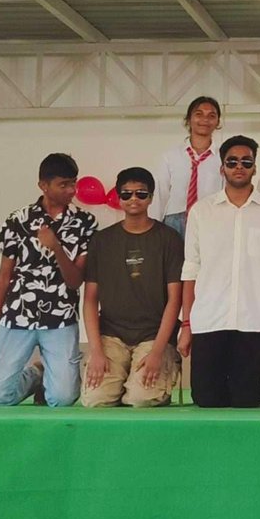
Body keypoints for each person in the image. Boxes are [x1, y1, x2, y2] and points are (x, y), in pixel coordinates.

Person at [0, 153, 98, 407]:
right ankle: (35, 376)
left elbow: (76, 281)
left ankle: (50, 378)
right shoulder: (17, 220)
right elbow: (4, 276)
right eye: (63, 184)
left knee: (62, 399)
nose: (72, 190)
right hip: (16, 315)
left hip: (61, 318)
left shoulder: (85, 223)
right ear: (43, 185)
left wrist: (56, 248)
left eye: (73, 183)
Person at [179, 136, 260, 408]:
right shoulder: (201, 212)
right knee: (206, 400)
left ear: (254, 167)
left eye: (246, 162)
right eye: (232, 162)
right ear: (222, 168)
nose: (239, 167)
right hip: (209, 320)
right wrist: (187, 325)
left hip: (255, 321)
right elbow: (191, 270)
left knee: (247, 400)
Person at [80, 167, 184, 408]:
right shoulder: (102, 240)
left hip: (153, 336)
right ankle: (117, 379)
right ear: (118, 197)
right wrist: (96, 351)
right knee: (95, 400)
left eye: (141, 194)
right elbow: (90, 300)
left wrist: (157, 352)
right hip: (111, 336)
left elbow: (175, 300)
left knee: (140, 399)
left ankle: (155, 374)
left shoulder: (169, 238)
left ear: (151, 197)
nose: (133, 199)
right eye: (126, 194)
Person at [152, 96, 224, 237]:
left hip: (211, 218)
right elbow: (160, 194)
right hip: (175, 221)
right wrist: (153, 227)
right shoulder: (170, 156)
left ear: (217, 122)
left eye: (211, 116)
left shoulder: (223, 158)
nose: (205, 119)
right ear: (188, 119)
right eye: (199, 114)